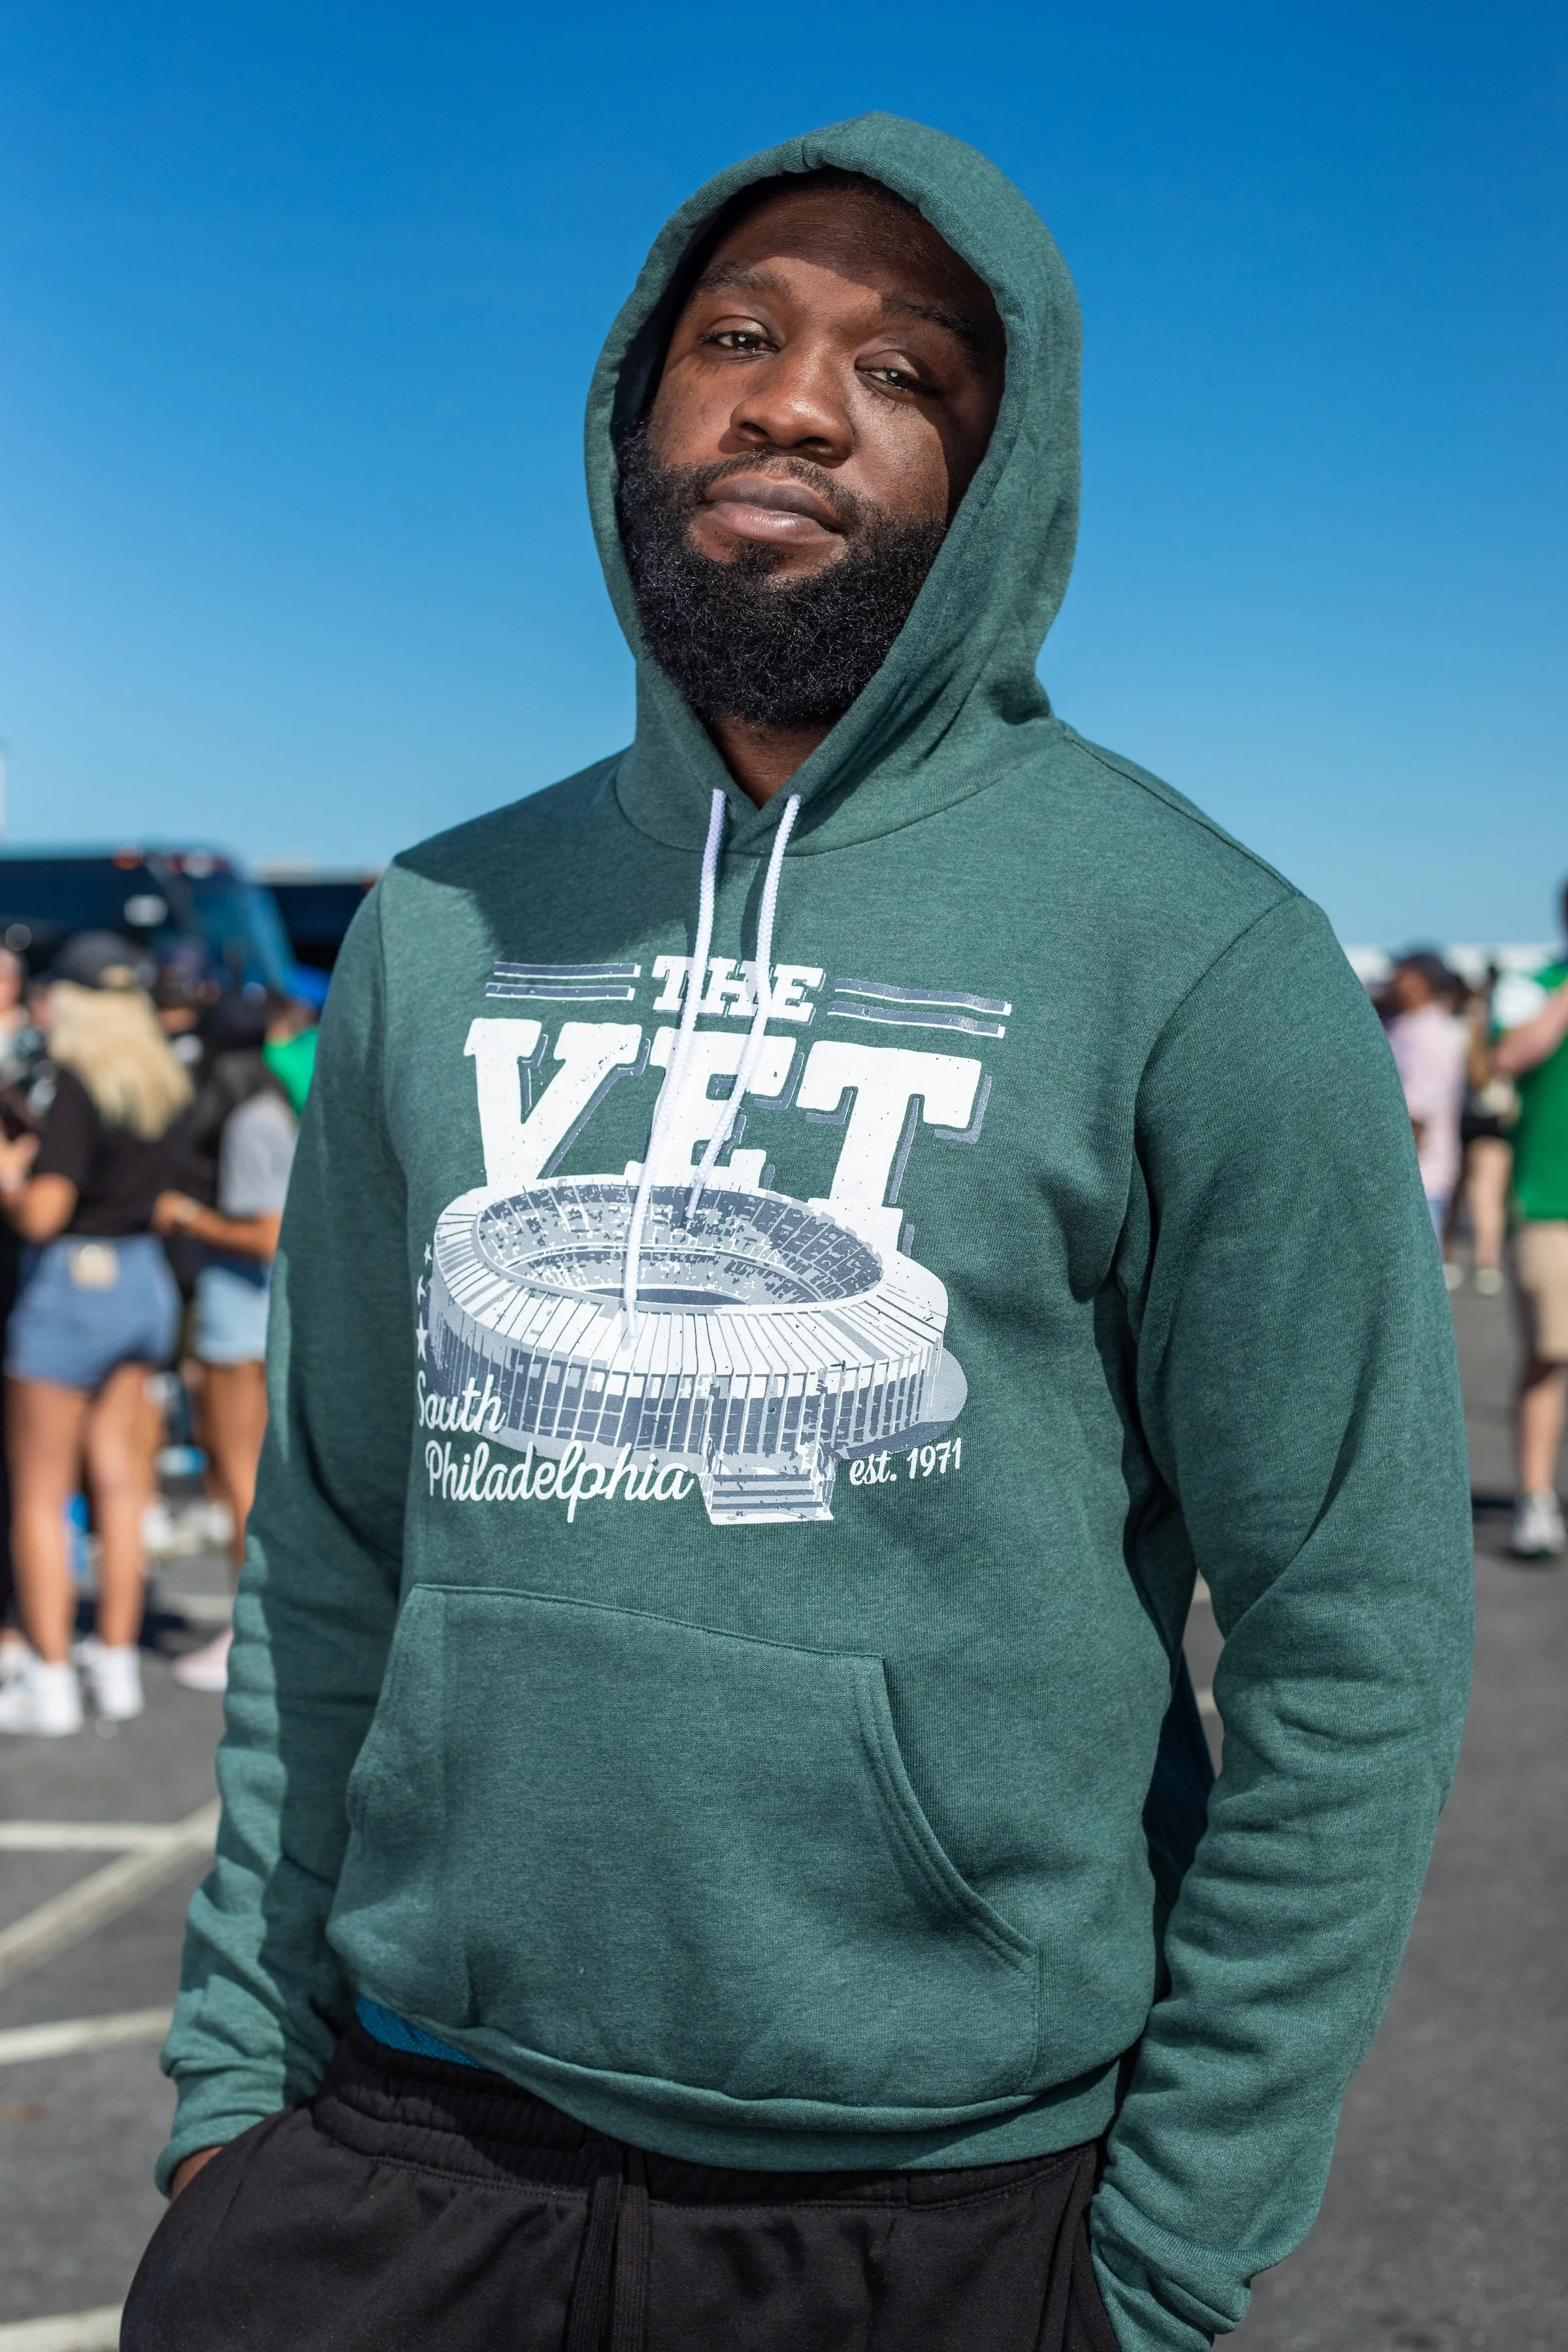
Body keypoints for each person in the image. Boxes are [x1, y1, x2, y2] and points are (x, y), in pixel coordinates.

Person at [131, 121, 1472, 2352]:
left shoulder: (1196, 949)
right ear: (632, 410)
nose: (792, 401)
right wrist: (228, 2103)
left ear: (1001, 473)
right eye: (737, 338)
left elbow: (1358, 1635)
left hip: (942, 2218)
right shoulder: (442, 928)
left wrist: (1152, 2262)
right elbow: (330, 1549)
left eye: (906, 371)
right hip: (406, 2156)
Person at [0, 933, 193, 1734]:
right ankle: (114, 1665)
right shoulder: (162, 1082)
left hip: (74, 1284)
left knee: (41, 1496)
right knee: (122, 1486)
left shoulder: (77, 1086)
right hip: (142, 1278)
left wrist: (10, 1174)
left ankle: (48, 1677)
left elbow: (43, 1213)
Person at [154, 1024, 299, 1691]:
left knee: (239, 1477)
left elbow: (266, 1232)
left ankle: (251, 1630)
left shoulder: (249, 1123)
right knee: (250, 1476)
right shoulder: (274, 1111)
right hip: (256, 1318)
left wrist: (186, 1217)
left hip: (242, 1322)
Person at [1492, 886, 1568, 1560]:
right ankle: (1536, 1497)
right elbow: (1509, 1057)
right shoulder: (1532, 987)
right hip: (1551, 1204)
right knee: (1550, 1353)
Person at [1380, 949, 1467, 1243]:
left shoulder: (1434, 1034)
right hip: (1406, 1176)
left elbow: (1419, 1113)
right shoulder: (1404, 1024)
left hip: (1420, 1179)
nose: (1395, 980)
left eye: (1402, 973)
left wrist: (1391, 1174)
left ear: (1419, 981)